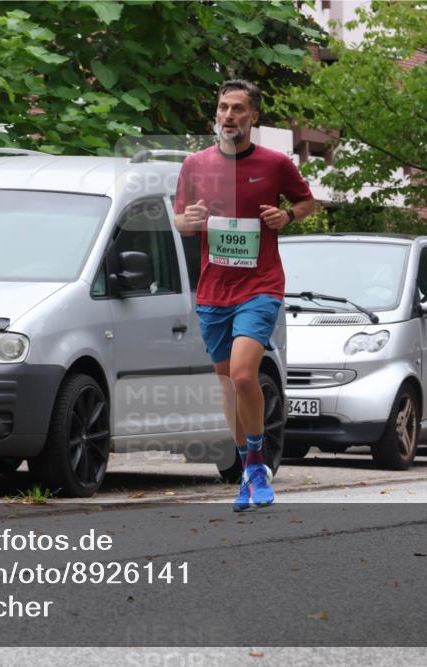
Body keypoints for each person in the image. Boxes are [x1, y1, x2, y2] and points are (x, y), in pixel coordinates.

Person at [172, 79, 314, 511]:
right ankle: (248, 467)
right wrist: (189, 220)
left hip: (260, 286)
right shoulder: (195, 164)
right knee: (227, 385)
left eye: (237, 108)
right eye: (223, 108)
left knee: (243, 375)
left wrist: (286, 215)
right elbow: (179, 221)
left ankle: (255, 462)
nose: (229, 115)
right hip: (213, 291)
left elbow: (307, 202)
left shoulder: (275, 164)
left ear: (254, 116)